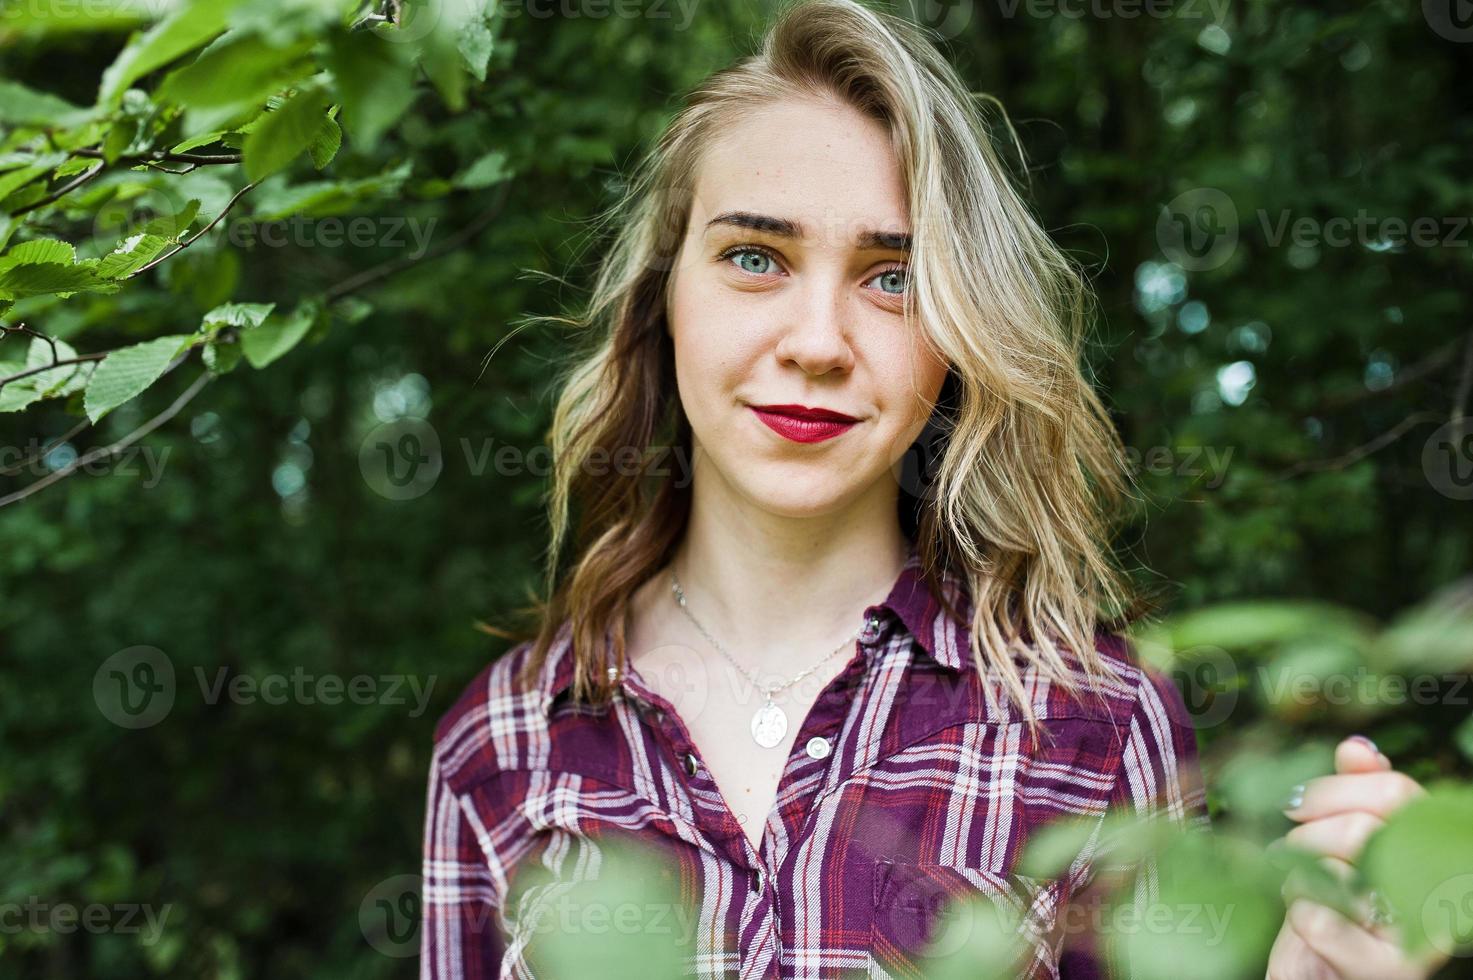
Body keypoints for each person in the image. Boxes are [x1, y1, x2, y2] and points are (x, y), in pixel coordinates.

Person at [420, 1, 1444, 977]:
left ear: (957, 333)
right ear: (662, 298)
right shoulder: (502, 741)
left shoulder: (1092, 720)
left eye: (892, 277)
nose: (817, 342)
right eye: (753, 256)